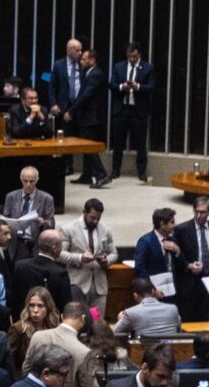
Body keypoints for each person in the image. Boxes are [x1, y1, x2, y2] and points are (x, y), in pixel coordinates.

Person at [105, 44, 155, 183]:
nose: (131, 59)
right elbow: (112, 84)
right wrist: (123, 86)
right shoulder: (119, 66)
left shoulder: (148, 68)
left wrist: (137, 86)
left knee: (140, 143)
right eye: (129, 56)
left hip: (138, 110)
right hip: (121, 109)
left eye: (134, 56)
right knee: (118, 142)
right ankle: (115, 170)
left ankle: (141, 171)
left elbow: (151, 87)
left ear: (139, 54)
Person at [61, 201, 116, 313]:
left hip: (98, 288)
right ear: (84, 212)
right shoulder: (68, 229)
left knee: (97, 322)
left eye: (98, 218)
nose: (95, 221)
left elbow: (114, 253)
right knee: (78, 321)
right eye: (92, 217)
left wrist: (107, 261)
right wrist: (80, 258)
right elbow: (60, 254)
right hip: (77, 286)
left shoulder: (105, 230)